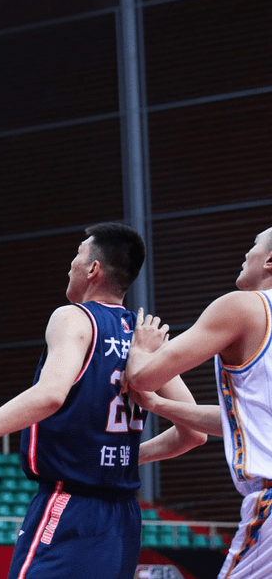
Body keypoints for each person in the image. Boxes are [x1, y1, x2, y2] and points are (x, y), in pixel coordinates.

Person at [0, 223, 205, 579]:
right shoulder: (143, 338)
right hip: (125, 516)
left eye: (77, 255)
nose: (70, 265)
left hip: (70, 506)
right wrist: (129, 456)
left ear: (93, 269)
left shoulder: (74, 317)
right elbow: (194, 433)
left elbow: (51, 394)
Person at [125, 226, 272, 579]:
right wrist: (162, 407)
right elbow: (242, 420)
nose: (246, 253)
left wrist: (143, 348)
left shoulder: (244, 306)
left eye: (253, 245)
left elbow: (144, 378)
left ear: (270, 259)